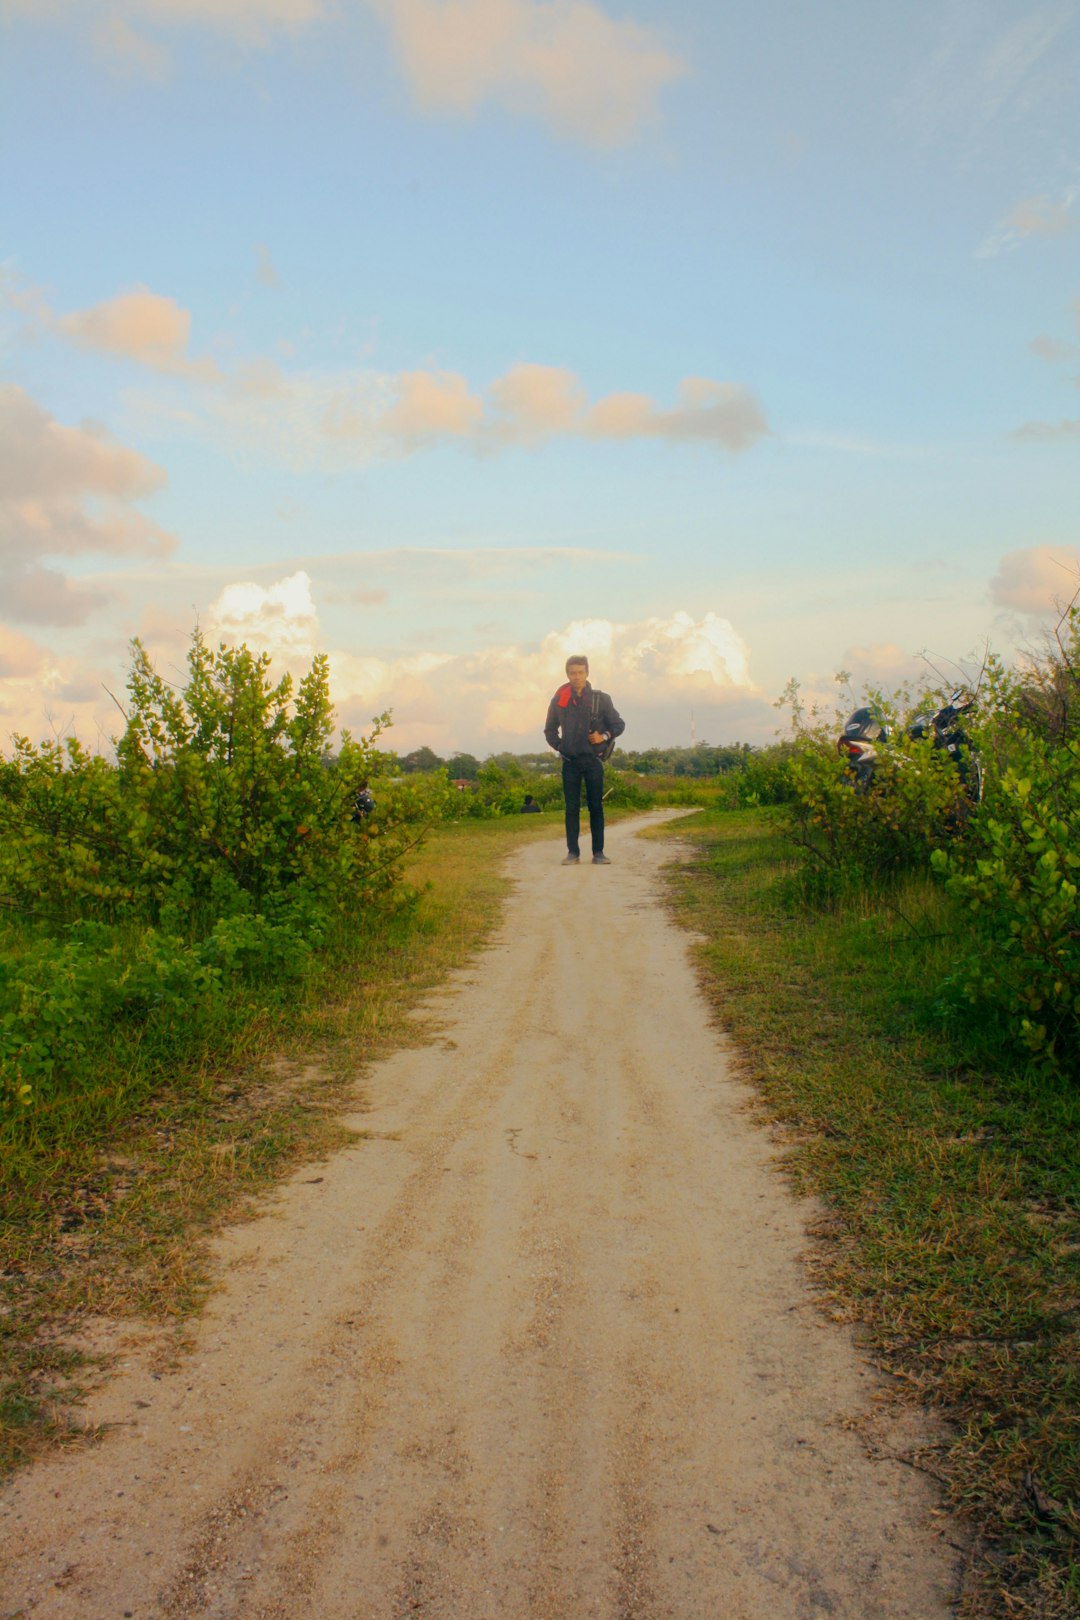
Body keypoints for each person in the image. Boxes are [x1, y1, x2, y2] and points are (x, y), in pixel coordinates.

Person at [544, 654, 624, 865]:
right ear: (567, 675)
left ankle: (598, 853)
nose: (577, 677)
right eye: (572, 673)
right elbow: (549, 730)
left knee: (595, 807)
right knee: (571, 808)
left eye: (580, 672)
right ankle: (573, 853)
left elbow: (619, 724)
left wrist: (603, 736)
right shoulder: (559, 701)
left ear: (587, 673)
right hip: (569, 762)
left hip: (592, 761)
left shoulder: (601, 699)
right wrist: (561, 746)